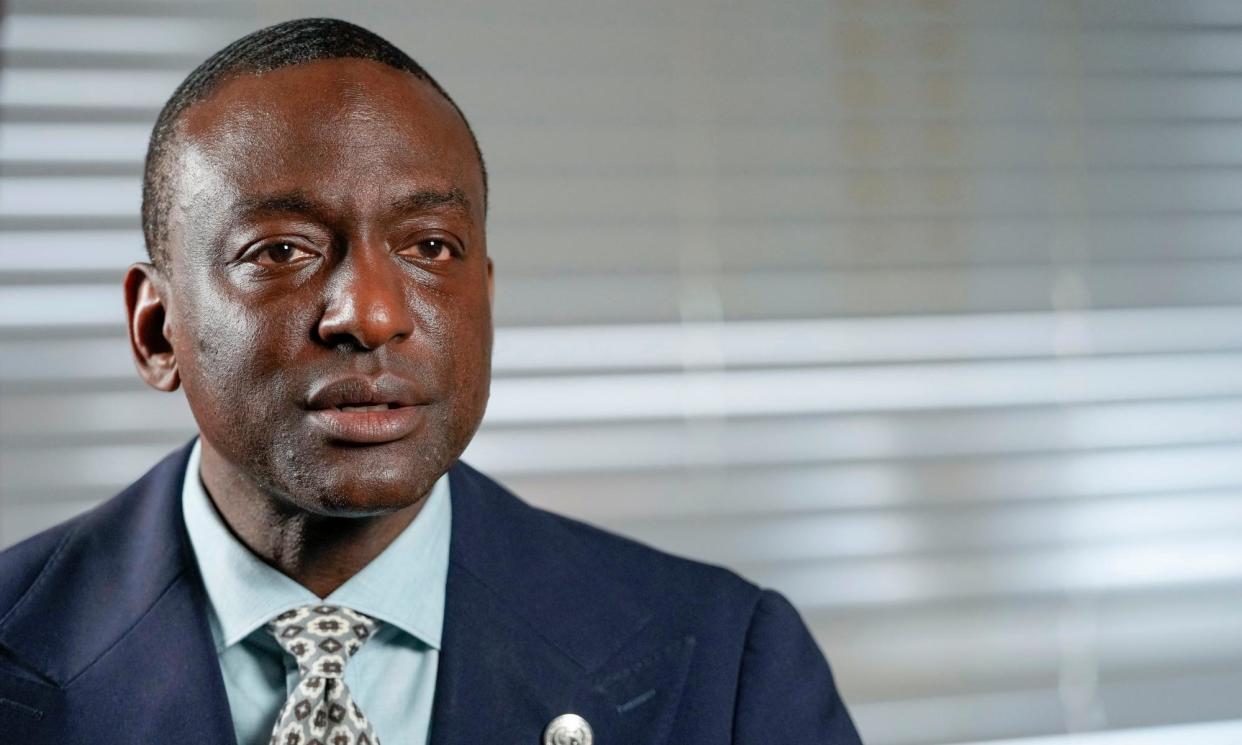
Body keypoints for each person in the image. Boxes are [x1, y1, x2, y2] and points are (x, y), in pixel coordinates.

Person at [0, 17, 862, 745]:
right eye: (281, 251)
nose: (371, 315)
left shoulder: (726, 667)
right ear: (157, 330)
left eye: (429, 248)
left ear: (484, 297)